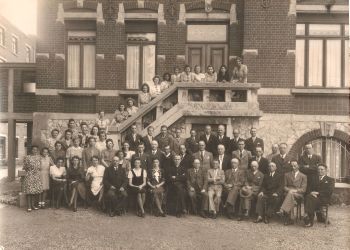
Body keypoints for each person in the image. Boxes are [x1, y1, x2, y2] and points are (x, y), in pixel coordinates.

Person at [276, 160, 307, 225]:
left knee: (290, 194)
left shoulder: (303, 176)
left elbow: (303, 189)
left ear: (298, 166)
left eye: (295, 166)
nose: (293, 167)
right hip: (288, 193)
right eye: (292, 166)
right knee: (290, 195)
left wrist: (294, 191)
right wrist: (289, 190)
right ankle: (290, 218)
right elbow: (284, 186)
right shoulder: (286, 175)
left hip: (298, 194)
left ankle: (283, 210)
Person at [23, 145, 43, 212]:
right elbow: (24, 167)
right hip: (30, 175)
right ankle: (29, 206)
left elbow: (40, 167)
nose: (35, 151)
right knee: (29, 191)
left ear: (37, 151)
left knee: (34, 191)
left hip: (36, 175)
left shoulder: (39, 157)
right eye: (33, 149)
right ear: (31, 150)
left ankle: (33, 205)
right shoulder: (27, 157)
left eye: (36, 150)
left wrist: (37, 170)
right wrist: (30, 170)